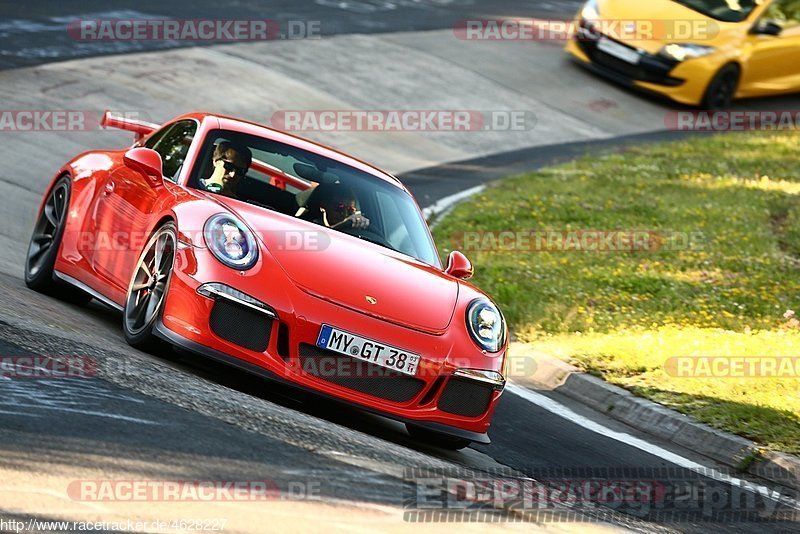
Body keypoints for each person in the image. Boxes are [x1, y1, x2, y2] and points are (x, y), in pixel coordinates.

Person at [300, 183, 370, 230]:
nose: (345, 214)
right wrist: (344, 224)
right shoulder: (307, 223)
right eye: (340, 208)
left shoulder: (354, 229)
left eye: (350, 210)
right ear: (324, 205)